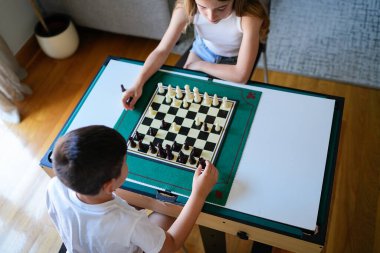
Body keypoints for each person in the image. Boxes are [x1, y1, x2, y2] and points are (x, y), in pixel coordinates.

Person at [46, 125, 218, 253]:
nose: (127, 163)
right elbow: (171, 245)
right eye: (124, 161)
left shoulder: (54, 186)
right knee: (167, 211)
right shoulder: (129, 223)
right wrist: (199, 194)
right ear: (109, 186)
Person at [122, 0, 269, 110]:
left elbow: (240, 75)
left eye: (221, 8)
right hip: (203, 49)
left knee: (222, 106)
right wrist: (138, 84)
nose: (211, 17)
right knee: (184, 99)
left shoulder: (249, 16)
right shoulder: (185, 7)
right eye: (203, 7)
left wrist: (200, 65)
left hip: (236, 58)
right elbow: (161, 50)